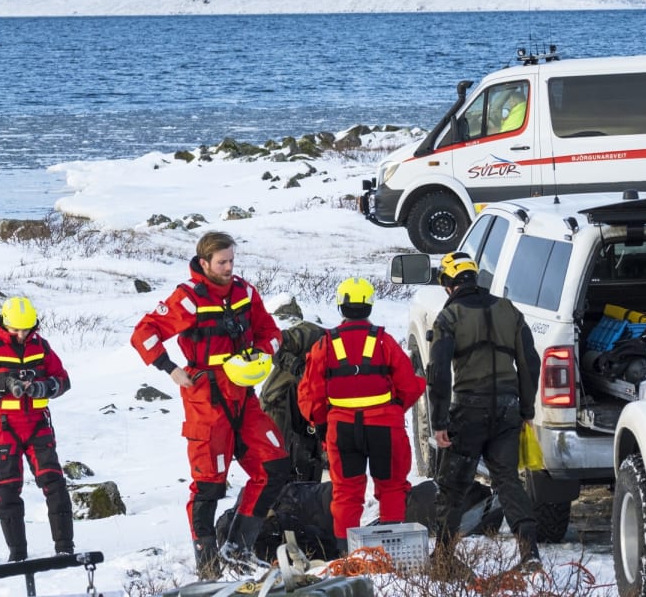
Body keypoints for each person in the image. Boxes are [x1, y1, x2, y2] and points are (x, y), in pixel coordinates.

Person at [131, 231, 291, 579]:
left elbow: (270, 332)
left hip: (244, 395)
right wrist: (170, 369)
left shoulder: (245, 292)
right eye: (222, 262)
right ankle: (208, 568)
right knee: (208, 486)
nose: (229, 267)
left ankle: (238, 550)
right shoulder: (187, 300)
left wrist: (263, 352)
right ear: (204, 263)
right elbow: (143, 333)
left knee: (274, 467)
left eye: (232, 260)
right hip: (206, 399)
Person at [427, 253, 543, 576]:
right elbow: (530, 363)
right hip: (507, 410)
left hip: (468, 411)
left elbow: (437, 371)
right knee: (508, 481)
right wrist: (526, 409)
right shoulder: (509, 310)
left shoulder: (449, 316)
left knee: (453, 486)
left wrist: (438, 422)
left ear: (449, 284)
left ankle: (443, 557)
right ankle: (530, 553)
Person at [297, 277, 426, 556]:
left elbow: (309, 393)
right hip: (385, 428)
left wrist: (320, 423)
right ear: (369, 305)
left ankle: (347, 557)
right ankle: (393, 555)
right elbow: (410, 385)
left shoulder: (325, 345)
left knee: (346, 492)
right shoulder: (384, 341)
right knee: (392, 487)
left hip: (341, 428)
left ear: (340, 305)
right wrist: (392, 409)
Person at [0, 296, 74, 562]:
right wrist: (1, 384)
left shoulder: (41, 346)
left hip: (38, 424)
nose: (21, 334)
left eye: (26, 329)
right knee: (7, 490)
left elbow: (63, 380)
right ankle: (17, 554)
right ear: (5, 323)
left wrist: (42, 386)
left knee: (55, 484)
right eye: (16, 329)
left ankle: (65, 547)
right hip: (4, 428)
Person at [260, 321, 328, 482]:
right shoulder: (310, 333)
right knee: (277, 468)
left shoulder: (351, 363)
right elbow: (273, 346)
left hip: (309, 413)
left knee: (309, 467)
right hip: (278, 404)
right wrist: (297, 366)